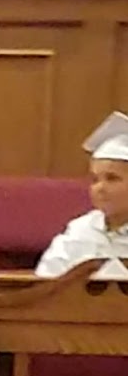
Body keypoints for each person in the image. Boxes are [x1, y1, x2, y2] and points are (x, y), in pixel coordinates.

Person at [36, 109, 128, 279]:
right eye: (94, 180)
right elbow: (46, 281)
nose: (100, 188)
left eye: (112, 178)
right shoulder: (80, 230)